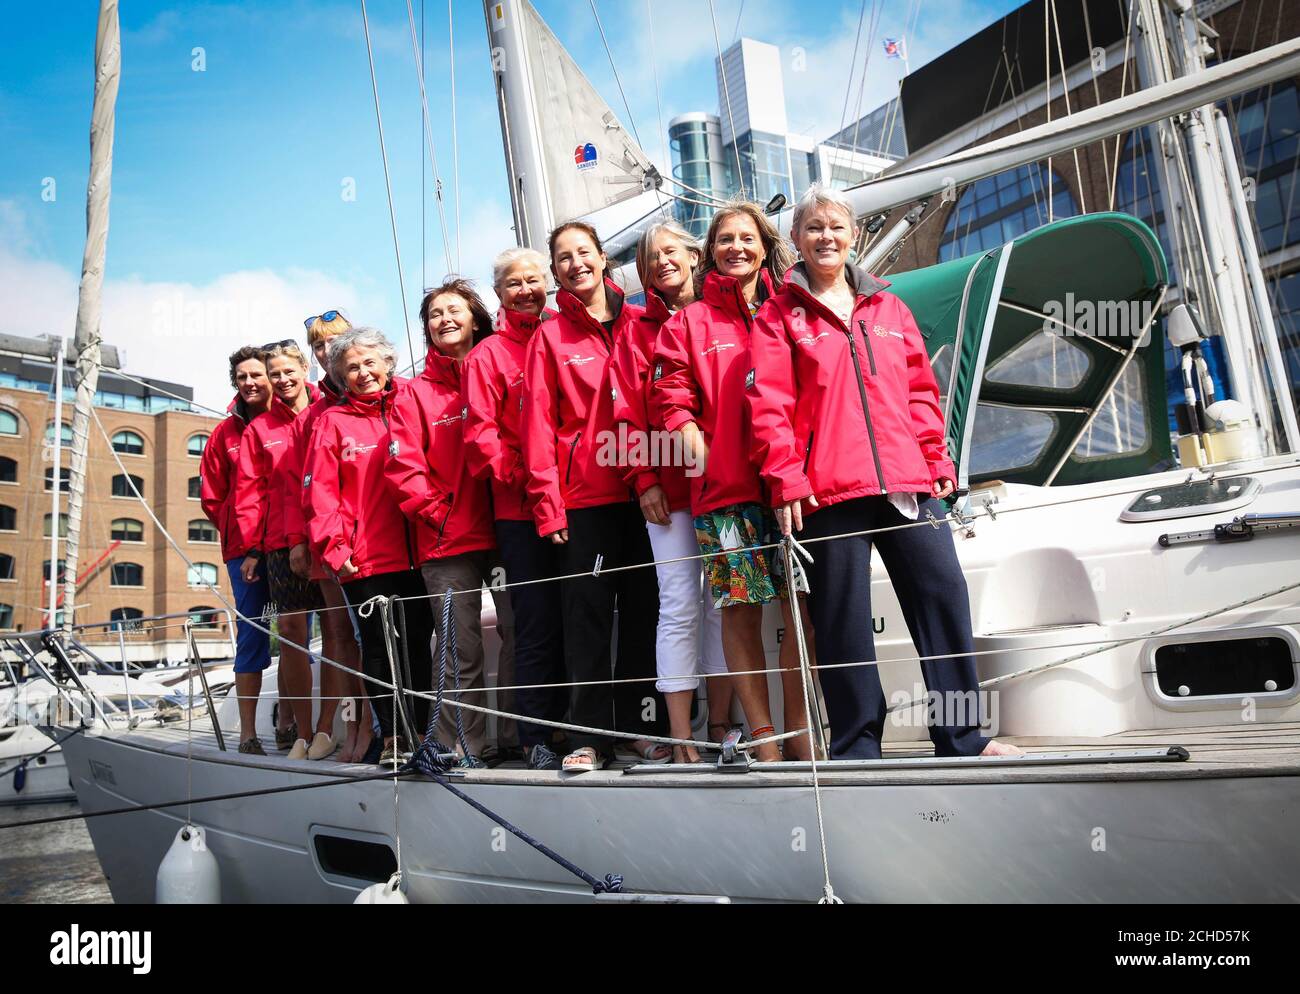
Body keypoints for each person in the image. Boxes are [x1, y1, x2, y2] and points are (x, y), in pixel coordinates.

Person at [747, 183, 1023, 760]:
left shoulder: (890, 307)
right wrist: (786, 478)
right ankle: (856, 746)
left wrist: (936, 458)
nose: (826, 236)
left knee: (943, 595)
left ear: (855, 236)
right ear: (796, 239)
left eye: (836, 226)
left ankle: (964, 735)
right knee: (841, 619)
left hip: (907, 482)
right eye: (814, 227)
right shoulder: (778, 315)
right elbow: (769, 405)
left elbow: (921, 391)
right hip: (826, 487)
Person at [652, 201, 817, 764]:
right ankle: (765, 739)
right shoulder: (688, 323)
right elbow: (669, 397)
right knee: (742, 609)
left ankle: (801, 732)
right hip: (726, 493)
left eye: (747, 237)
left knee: (802, 609)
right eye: (724, 239)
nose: (736, 247)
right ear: (710, 253)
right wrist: (690, 436)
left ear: (765, 245)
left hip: (797, 483)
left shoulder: (793, 307)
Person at [521, 220, 666, 773]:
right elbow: (537, 423)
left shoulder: (640, 321)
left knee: (645, 611)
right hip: (587, 496)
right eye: (563, 257)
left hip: (649, 489)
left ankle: (640, 729)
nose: (575, 263)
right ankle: (589, 738)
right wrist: (547, 502)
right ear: (555, 272)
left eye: (584, 252)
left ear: (603, 259)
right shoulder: (550, 338)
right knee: (587, 621)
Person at [611, 222, 729, 764]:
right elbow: (628, 414)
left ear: (692, 255)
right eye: (650, 258)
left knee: (726, 604)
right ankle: (683, 736)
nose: (662, 262)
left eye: (670, 252)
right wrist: (645, 479)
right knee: (681, 603)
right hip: (671, 489)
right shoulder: (634, 331)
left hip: (729, 481)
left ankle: (724, 724)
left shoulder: (727, 307)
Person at [387, 280, 516, 769]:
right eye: (434, 315)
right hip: (449, 543)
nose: (444, 320)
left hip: (508, 531)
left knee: (519, 634)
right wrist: (437, 514)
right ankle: (463, 745)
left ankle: (516, 739)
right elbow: (404, 467)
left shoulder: (501, 368)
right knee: (459, 650)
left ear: (476, 318)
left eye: (453, 310)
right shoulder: (415, 394)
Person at [304, 327, 436, 765]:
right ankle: (395, 737)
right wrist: (336, 551)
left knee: (418, 642)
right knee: (380, 649)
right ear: (341, 376)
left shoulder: (412, 400)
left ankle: (421, 730)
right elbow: (319, 493)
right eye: (352, 367)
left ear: (388, 362)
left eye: (369, 362)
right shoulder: (331, 422)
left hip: (420, 551)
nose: (363, 373)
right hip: (365, 560)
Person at [463, 248, 566, 770]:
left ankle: (583, 727)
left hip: (578, 502)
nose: (525, 290)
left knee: (579, 615)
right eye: (513, 284)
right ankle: (536, 735)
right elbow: (482, 436)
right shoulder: (488, 356)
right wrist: (529, 481)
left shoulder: (565, 334)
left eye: (533, 281)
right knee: (533, 623)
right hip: (521, 510)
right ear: (499, 295)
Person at [233, 342, 332, 761]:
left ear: (303, 367)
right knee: (291, 634)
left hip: (328, 535)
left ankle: (328, 730)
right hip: (279, 544)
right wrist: (253, 547)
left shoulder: (328, 408)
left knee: (338, 636)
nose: (281, 379)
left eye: (287, 371)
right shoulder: (259, 430)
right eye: (273, 373)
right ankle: (302, 736)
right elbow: (248, 495)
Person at [201, 346, 281, 755]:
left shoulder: (291, 420)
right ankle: (248, 732)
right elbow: (212, 498)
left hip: (289, 543)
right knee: (253, 632)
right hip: (243, 552)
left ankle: (290, 724)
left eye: (257, 375)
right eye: (242, 377)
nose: (250, 382)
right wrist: (242, 534)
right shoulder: (223, 435)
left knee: (302, 630)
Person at [301, 311, 373, 763]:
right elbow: (310, 482)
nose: (326, 350)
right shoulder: (315, 413)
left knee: (373, 638)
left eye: (334, 341)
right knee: (342, 638)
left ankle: (377, 726)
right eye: (319, 345)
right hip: (333, 540)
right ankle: (354, 727)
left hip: (378, 538)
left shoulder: (382, 390)